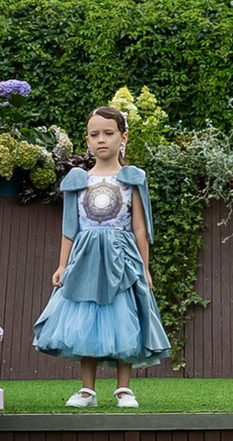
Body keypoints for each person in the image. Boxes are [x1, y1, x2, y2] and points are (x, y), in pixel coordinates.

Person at [32, 106, 168, 408]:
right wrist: (62, 265)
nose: (101, 140)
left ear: (123, 137)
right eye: (95, 134)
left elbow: (139, 227)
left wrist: (145, 268)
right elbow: (70, 227)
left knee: (124, 317)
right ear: (87, 140)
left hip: (122, 257)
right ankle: (87, 390)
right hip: (86, 257)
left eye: (108, 133)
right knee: (87, 319)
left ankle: (123, 389)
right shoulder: (78, 180)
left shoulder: (131, 178)